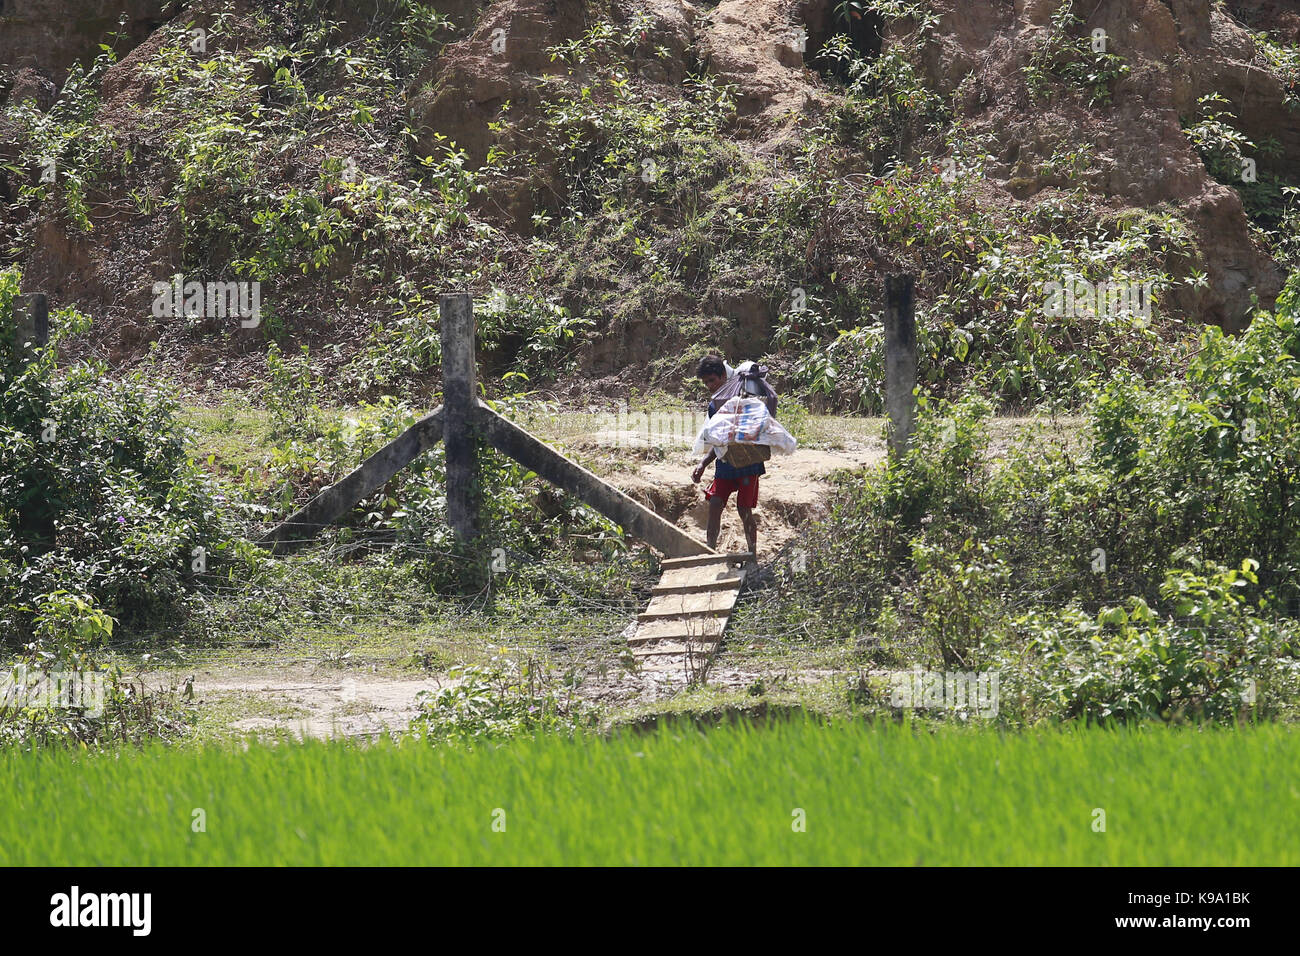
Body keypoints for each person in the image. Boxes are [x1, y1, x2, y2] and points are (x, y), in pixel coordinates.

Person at [690, 353, 776, 558]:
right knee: (715, 504)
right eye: (706, 382)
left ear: (722, 376)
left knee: (744, 509)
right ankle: (710, 551)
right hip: (726, 463)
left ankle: (752, 554)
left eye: (712, 380)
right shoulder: (714, 406)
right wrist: (703, 463)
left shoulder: (745, 401)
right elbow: (719, 442)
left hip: (748, 465)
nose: (709, 385)